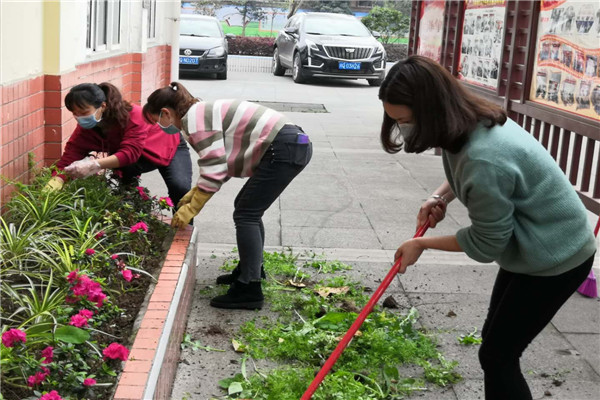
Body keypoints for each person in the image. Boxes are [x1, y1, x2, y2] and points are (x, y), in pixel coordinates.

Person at [379, 56, 596, 400]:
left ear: (431, 110)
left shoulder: (485, 156)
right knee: (495, 347)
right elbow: (466, 172)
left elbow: (487, 242)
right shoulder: (470, 121)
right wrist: (438, 197)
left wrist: (422, 244)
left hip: (558, 257)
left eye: (405, 120)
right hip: (533, 248)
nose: (403, 128)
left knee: (498, 355)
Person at [142, 82, 312, 310]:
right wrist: (194, 194)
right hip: (290, 144)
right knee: (246, 208)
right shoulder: (200, 112)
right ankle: (251, 270)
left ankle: (249, 288)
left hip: (284, 148)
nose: (160, 126)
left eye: (157, 121)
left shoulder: (195, 121)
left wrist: (191, 208)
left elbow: (215, 167)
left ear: (165, 112)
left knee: (246, 213)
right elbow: (223, 164)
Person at [45, 82, 192, 209]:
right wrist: (57, 179)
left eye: (83, 112)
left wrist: (94, 164)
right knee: (126, 195)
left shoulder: (134, 115)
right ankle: (136, 223)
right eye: (75, 114)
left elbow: (130, 153)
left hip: (169, 146)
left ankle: (185, 231)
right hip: (135, 161)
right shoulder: (85, 130)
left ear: (102, 106)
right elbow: (70, 156)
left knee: (180, 188)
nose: (80, 118)